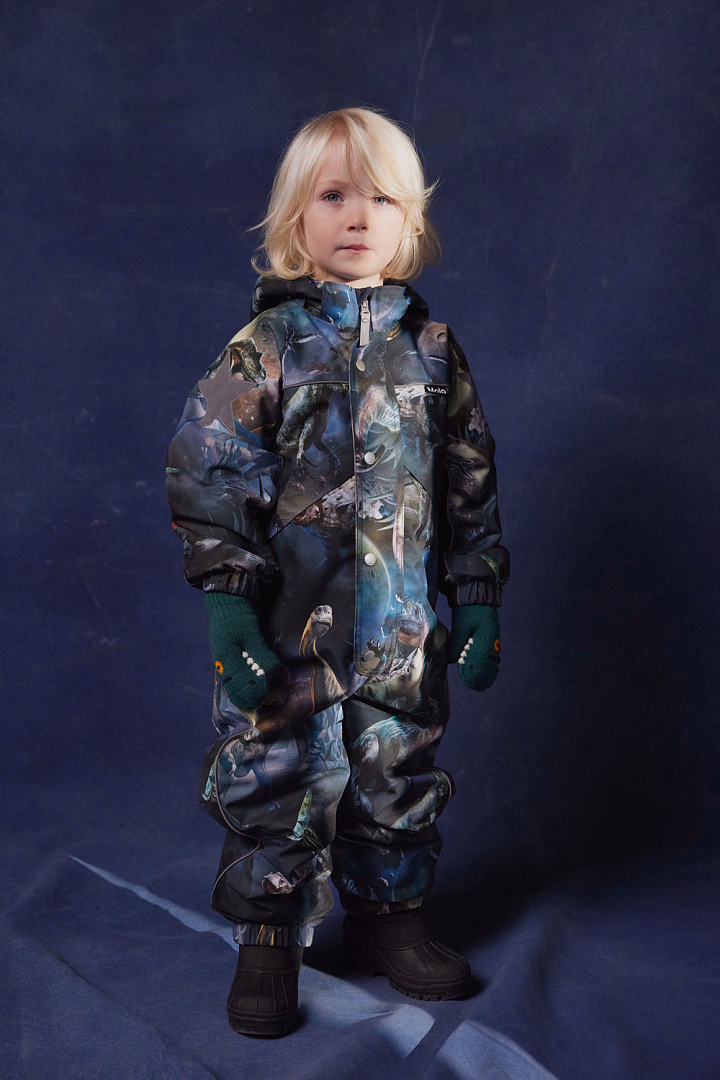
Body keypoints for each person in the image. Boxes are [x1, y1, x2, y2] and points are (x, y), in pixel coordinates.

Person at [165, 106, 510, 1038]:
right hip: (290, 631)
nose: (359, 215)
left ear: (410, 222)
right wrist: (230, 607)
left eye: (382, 198)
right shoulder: (265, 348)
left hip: (401, 629)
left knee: (397, 768)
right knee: (278, 771)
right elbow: (210, 471)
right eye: (333, 195)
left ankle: (390, 917)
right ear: (295, 219)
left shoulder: (433, 354)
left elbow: (470, 478)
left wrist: (477, 593)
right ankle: (269, 934)